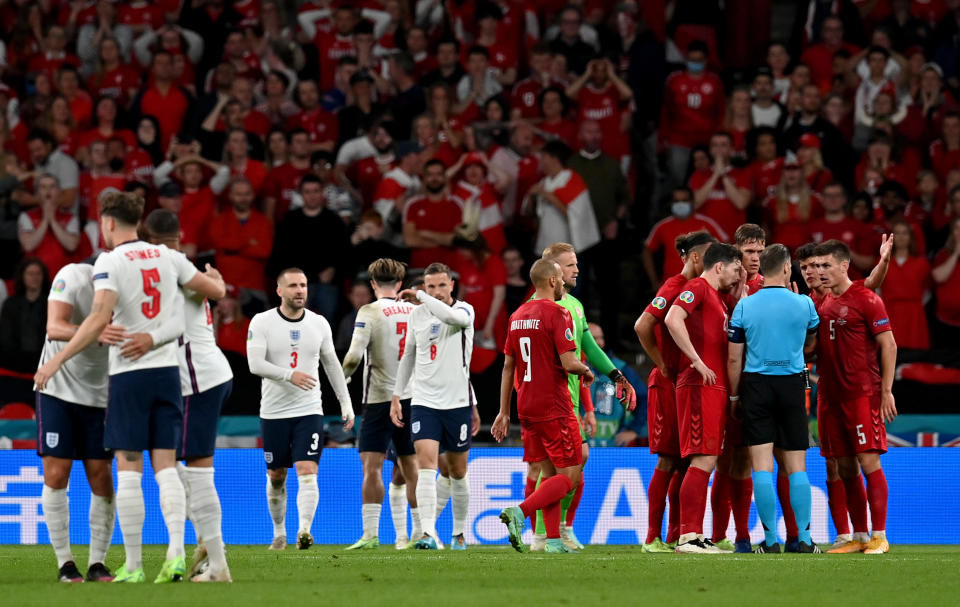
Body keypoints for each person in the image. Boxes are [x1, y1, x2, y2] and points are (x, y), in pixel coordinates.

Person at [33, 191, 226, 583]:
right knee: (166, 465)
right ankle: (173, 552)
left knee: (128, 469)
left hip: (123, 380)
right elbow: (212, 297)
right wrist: (156, 336)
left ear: (106, 223)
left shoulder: (111, 261)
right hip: (167, 373)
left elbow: (100, 316)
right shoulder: (169, 258)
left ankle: (133, 566)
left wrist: (56, 359)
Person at [139, 209, 233, 582]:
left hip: (199, 381)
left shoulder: (169, 262)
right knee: (175, 466)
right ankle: (208, 546)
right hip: (195, 380)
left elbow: (220, 292)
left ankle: (217, 561)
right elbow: (217, 289)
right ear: (179, 233)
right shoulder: (183, 265)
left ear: (149, 238)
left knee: (193, 470)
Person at [528, 242, 637, 551]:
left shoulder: (575, 305)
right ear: (554, 272)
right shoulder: (538, 307)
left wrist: (615, 375)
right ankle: (542, 533)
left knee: (569, 464)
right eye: (571, 264)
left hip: (570, 398)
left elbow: (587, 349)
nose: (577, 269)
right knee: (548, 468)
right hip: (545, 400)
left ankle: (556, 529)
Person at [247, 267, 355, 552]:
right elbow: (254, 364)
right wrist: (288, 374)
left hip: (309, 410)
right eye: (293, 285)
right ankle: (279, 533)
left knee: (307, 470)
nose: (300, 290)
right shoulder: (262, 321)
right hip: (273, 412)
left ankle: (304, 530)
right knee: (277, 475)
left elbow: (332, 364)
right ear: (279, 290)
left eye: (304, 285)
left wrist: (346, 403)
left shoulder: (319, 323)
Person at [493, 258, 594, 554]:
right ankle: (520, 512)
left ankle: (551, 541)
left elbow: (508, 366)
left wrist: (503, 411)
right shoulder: (558, 313)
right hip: (554, 405)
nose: (564, 283)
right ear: (552, 281)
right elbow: (569, 362)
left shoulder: (517, 315)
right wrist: (587, 371)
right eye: (561, 278)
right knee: (570, 476)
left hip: (526, 405)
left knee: (549, 473)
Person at [727, 244, 821, 554]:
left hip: (756, 386)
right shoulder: (805, 304)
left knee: (762, 467)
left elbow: (733, 359)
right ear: (786, 269)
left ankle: (769, 541)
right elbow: (811, 342)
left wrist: (735, 395)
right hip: (793, 385)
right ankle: (805, 540)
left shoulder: (744, 307)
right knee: (796, 467)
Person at [635, 230, 716, 553]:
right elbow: (642, 326)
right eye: (708, 256)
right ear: (696, 257)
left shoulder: (701, 288)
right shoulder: (674, 287)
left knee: (686, 462)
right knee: (668, 459)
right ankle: (652, 537)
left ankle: (676, 534)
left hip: (687, 383)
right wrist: (663, 364)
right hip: (669, 383)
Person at [814, 239, 898, 555]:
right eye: (817, 266)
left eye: (826, 266)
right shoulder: (821, 303)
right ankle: (858, 535)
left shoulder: (867, 299)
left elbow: (888, 345)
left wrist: (886, 390)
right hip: (831, 397)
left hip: (861, 394)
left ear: (844, 265)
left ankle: (880, 535)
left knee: (868, 460)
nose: (820, 272)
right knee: (844, 465)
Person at [34, 257, 115, 583]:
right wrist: (99, 331)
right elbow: (54, 327)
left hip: (103, 395)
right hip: (58, 387)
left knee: (101, 477)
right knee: (57, 472)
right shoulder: (72, 275)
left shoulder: (133, 292)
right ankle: (65, 563)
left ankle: (97, 563)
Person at [389, 262, 480, 550]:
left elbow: (451, 317)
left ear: (452, 285)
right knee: (426, 466)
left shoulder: (464, 311)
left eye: (442, 285)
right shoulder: (417, 316)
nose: (437, 291)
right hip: (424, 402)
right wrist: (397, 395)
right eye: (431, 286)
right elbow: (408, 357)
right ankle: (428, 533)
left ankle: (459, 533)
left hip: (457, 403)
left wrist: (420, 296)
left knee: (457, 472)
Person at [665, 242, 743, 554]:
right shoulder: (697, 287)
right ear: (719, 266)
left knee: (708, 458)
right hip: (699, 385)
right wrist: (696, 360)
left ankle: (695, 534)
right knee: (703, 458)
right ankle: (688, 536)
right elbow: (672, 318)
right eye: (736, 269)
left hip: (714, 388)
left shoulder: (720, 300)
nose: (739, 275)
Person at [342, 259, 420, 550]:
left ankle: (371, 534)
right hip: (412, 397)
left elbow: (353, 357)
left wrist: (343, 381)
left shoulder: (369, 311)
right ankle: (421, 533)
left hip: (378, 400)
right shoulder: (416, 311)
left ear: (372, 284)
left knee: (372, 467)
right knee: (412, 466)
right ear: (400, 284)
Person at [529, 140, 600, 257]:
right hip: (545, 245)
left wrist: (548, 195)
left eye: (544, 157)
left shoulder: (572, 181)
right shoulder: (544, 182)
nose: (540, 160)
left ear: (555, 159)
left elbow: (576, 216)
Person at [643, 187, 727, 286]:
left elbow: (726, 248)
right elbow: (647, 251)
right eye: (676, 201)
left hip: (702, 285)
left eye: (684, 200)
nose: (680, 204)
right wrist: (654, 282)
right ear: (671, 203)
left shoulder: (707, 224)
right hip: (671, 286)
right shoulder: (662, 226)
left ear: (692, 202)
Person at [402, 159, 464, 270]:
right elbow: (410, 240)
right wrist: (444, 240)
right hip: (420, 271)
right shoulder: (412, 205)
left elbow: (457, 240)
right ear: (424, 178)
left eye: (438, 174)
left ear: (445, 177)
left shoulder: (457, 204)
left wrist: (424, 233)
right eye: (430, 175)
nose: (434, 179)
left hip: (450, 271)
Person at [690, 132, 752, 239]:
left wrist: (723, 174)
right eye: (715, 145)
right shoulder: (698, 175)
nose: (718, 149)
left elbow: (741, 203)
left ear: (732, 150)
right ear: (710, 150)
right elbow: (695, 203)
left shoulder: (743, 173)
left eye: (723, 145)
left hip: (734, 237)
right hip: (705, 238)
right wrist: (715, 174)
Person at [880, 220, 931, 350]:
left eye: (905, 233)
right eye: (897, 233)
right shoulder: (882, 261)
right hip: (889, 313)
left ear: (910, 237)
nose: (901, 237)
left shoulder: (922, 263)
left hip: (914, 315)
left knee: (915, 355)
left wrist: (914, 304)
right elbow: (877, 289)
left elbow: (928, 291)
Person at [0, 258, 49, 374]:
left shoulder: (51, 303)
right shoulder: (11, 304)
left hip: (43, 361)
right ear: (22, 276)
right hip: (13, 363)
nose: (34, 278)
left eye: (38, 273)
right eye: (30, 274)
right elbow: (5, 337)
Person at [932, 217, 960, 347]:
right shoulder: (943, 255)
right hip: (945, 323)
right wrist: (956, 253)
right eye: (957, 228)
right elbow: (939, 277)